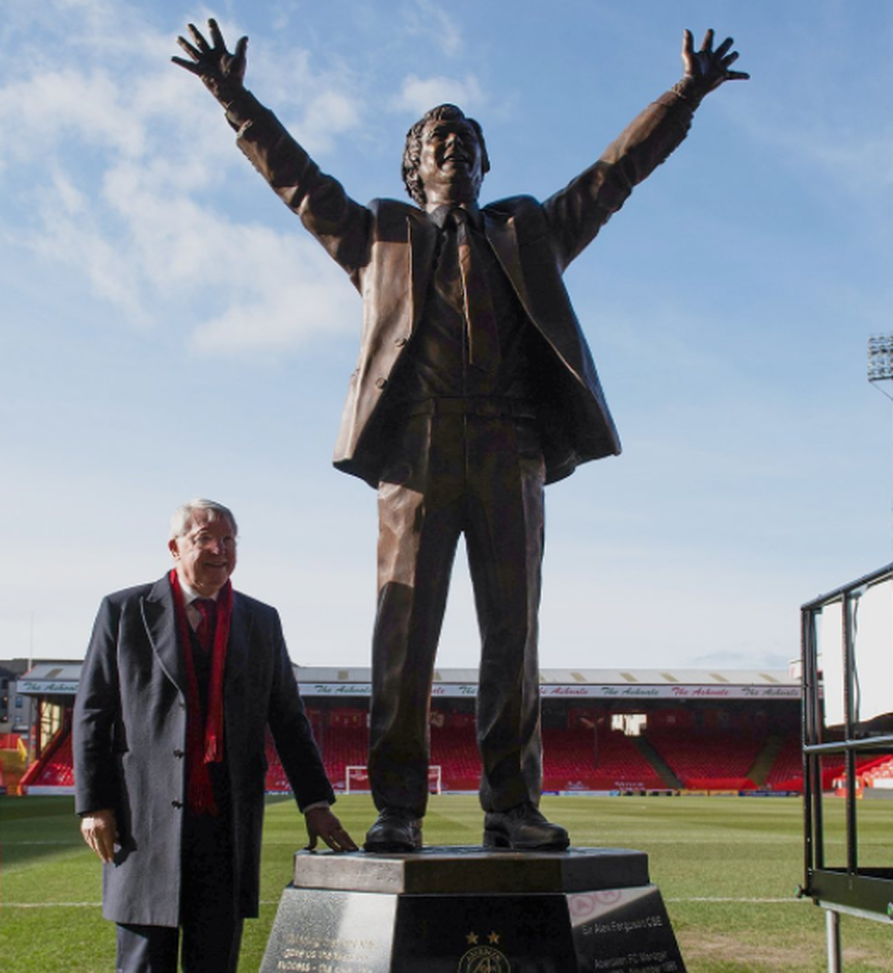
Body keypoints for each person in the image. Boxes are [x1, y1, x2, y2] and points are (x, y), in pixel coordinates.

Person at [173, 22, 747, 854]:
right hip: (415, 450)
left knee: (512, 634)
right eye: (435, 139)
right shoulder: (379, 235)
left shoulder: (529, 233)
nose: (452, 146)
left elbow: (613, 175)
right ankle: (398, 807)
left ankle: (511, 805)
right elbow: (296, 181)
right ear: (414, 168)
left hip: (510, 447)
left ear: (484, 164)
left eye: (465, 139)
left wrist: (683, 95)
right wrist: (233, 97)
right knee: (403, 634)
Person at [74, 498, 357, 973]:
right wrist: (93, 804)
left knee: (215, 962)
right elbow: (93, 711)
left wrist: (315, 803)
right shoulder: (123, 611)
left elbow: (288, 718)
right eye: (204, 537)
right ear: (174, 547)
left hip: (226, 824)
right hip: (143, 823)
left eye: (228, 540)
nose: (219, 549)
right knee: (144, 963)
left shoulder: (260, 620)